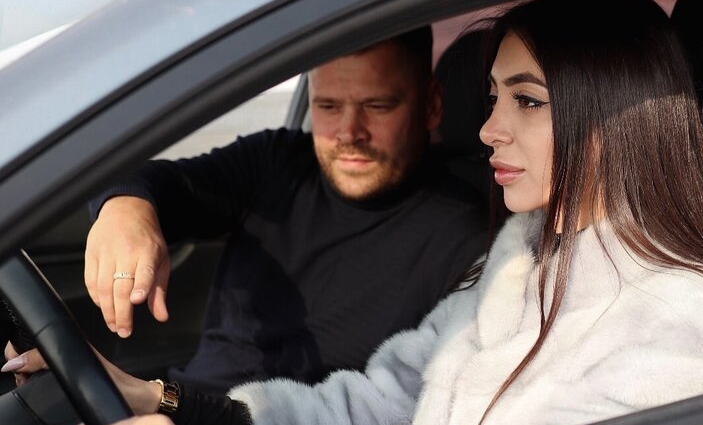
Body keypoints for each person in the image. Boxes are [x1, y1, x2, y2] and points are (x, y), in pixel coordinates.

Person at [4, 0, 703, 425]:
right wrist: (167, 402)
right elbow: (376, 418)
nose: (488, 131)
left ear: (611, 116)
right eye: (493, 98)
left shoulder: (686, 320)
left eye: (525, 101)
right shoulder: (526, 253)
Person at [82, 28, 488, 392]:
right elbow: (159, 181)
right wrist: (125, 209)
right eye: (328, 107)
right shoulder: (278, 163)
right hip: (174, 415)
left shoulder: (466, 241)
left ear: (432, 105)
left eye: (377, 106)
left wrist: (162, 405)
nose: (349, 132)